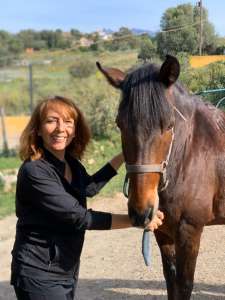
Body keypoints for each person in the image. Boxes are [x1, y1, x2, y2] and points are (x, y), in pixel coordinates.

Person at [10, 95, 164, 300]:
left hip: (65, 268)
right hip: (38, 273)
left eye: (67, 122)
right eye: (51, 121)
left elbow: (89, 188)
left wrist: (122, 156)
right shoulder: (34, 171)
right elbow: (79, 217)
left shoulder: (70, 163)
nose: (60, 128)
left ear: (75, 130)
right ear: (37, 129)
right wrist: (138, 219)